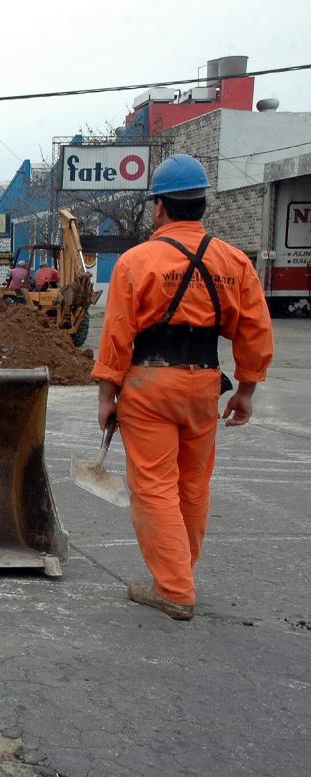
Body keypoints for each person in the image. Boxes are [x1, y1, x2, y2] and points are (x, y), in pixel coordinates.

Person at [92, 153, 274, 621]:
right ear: (201, 204)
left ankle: (173, 587)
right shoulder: (234, 261)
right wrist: (247, 390)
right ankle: (178, 574)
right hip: (204, 384)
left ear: (159, 207)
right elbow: (254, 329)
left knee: (154, 485)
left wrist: (106, 395)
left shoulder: (137, 262)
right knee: (193, 485)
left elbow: (117, 333)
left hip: (150, 383)